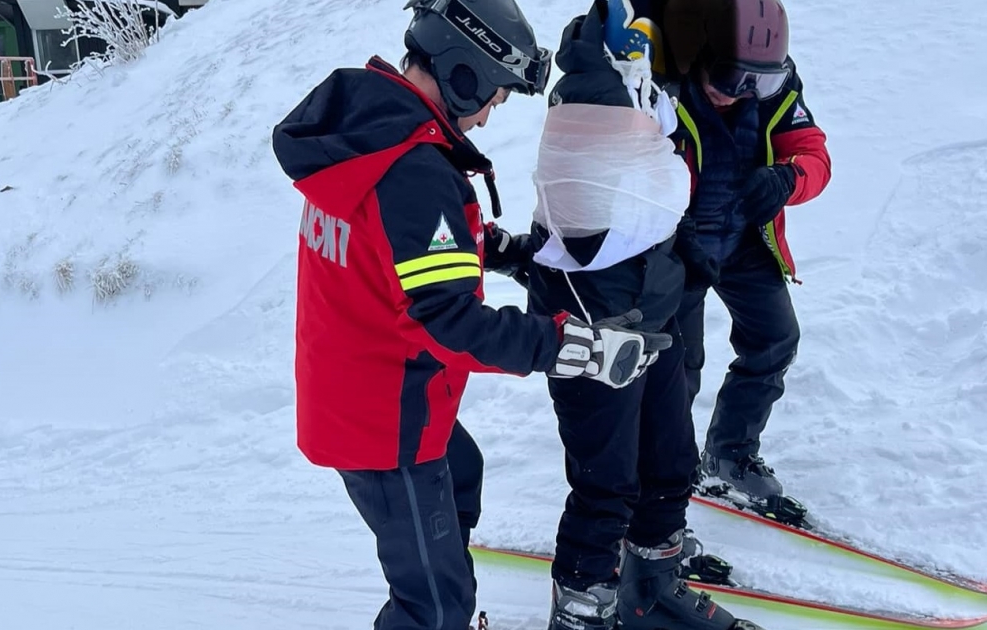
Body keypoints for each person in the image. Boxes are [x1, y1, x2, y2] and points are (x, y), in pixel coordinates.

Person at [269, 2, 673, 630]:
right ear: (465, 74)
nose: (488, 114)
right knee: (433, 605)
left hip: (361, 392)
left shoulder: (368, 133)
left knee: (462, 474)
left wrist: (497, 249)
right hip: (385, 423)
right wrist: (584, 351)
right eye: (494, 98)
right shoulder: (416, 172)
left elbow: (393, 246)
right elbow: (452, 323)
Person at [485, 2, 762, 629]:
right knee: (607, 478)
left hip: (653, 305)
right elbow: (592, 226)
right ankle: (583, 601)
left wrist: (684, 252)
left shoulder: (645, 83)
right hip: (594, 322)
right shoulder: (596, 90)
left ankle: (651, 579)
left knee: (670, 459)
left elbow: (649, 200)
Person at [663, 0, 833, 509]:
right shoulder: (657, 87)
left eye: (758, 84)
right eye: (732, 78)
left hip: (743, 240)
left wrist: (788, 178)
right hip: (677, 249)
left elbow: (813, 151)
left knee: (776, 339)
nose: (742, 94)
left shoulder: (774, 86)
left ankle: (730, 453)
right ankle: (668, 469)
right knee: (677, 366)